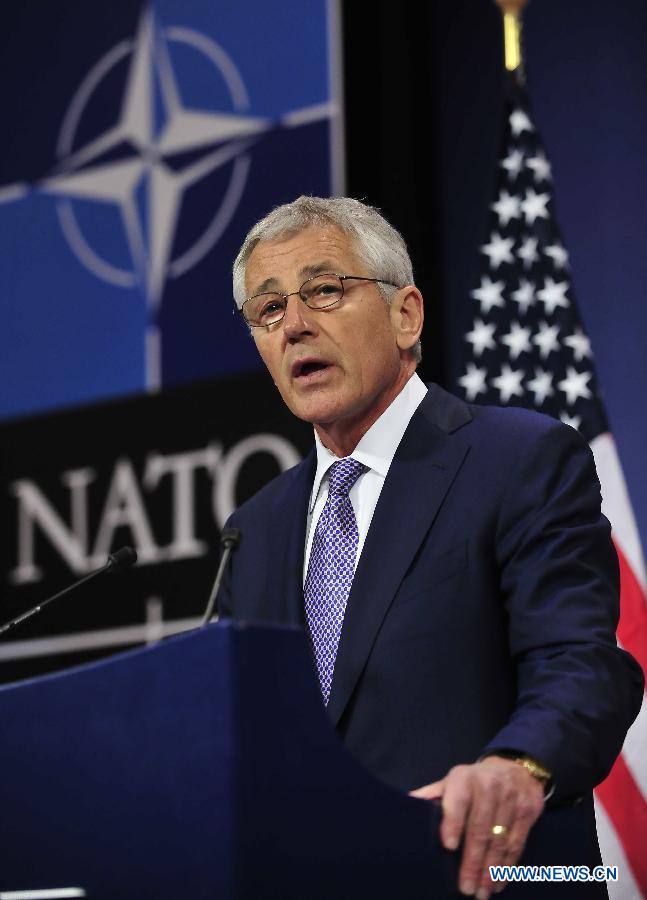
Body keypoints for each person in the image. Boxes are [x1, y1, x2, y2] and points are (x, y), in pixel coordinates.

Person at [220, 195, 643, 898]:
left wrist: (517, 765)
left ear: (405, 313)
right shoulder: (256, 527)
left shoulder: (519, 458)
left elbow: (583, 662)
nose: (293, 325)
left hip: (486, 879)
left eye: (324, 290)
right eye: (267, 311)